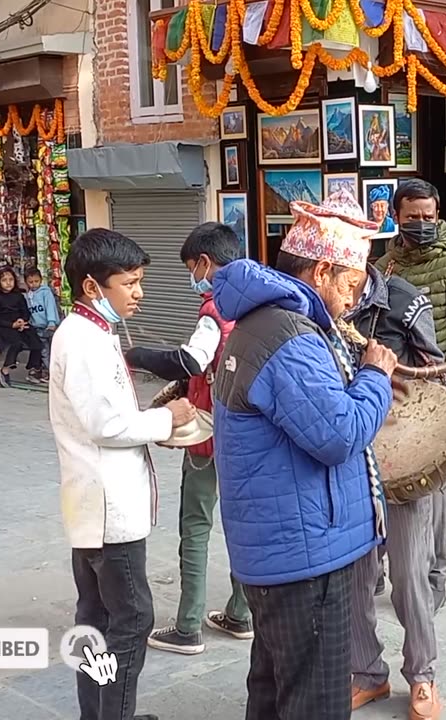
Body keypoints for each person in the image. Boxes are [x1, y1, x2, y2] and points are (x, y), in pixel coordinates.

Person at [211, 189, 396, 720]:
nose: (350, 301)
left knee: (274, 693)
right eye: (349, 285)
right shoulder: (288, 337)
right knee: (313, 702)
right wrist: (376, 379)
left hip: (285, 546)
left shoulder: (269, 323)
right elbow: (338, 433)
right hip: (304, 557)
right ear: (320, 272)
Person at [49, 228, 197, 720]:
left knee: (95, 617)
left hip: (92, 501)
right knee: (132, 620)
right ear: (93, 287)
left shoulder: (89, 332)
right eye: (129, 283)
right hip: (107, 509)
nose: (139, 292)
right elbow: (105, 424)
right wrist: (166, 419)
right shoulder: (84, 339)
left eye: (139, 281)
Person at [122, 221, 254, 654]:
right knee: (242, 527)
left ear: (204, 263)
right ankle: (241, 613)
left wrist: (138, 354)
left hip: (208, 434)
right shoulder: (257, 303)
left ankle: (187, 625)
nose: (191, 276)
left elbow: (190, 360)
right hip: (247, 435)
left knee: (195, 527)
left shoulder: (214, 308)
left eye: (190, 267)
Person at [375, 178, 446, 613]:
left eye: (428, 217)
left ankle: (433, 576)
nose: (421, 224)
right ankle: (383, 569)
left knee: (434, 494)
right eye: (412, 218)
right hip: (390, 400)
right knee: (384, 487)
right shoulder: (384, 268)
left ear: (437, 215)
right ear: (397, 218)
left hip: (436, 400)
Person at [344, 260, 446, 718]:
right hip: (350, 456)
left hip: (403, 459)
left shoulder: (404, 300)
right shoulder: (319, 305)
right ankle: (366, 673)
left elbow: (437, 374)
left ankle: (422, 675)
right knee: (357, 577)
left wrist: (389, 376)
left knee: (408, 576)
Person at [0, 267, 47, 385]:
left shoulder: (19, 295)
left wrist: (22, 320)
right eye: (4, 280)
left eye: (11, 279)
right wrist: (12, 325)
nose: (8, 282)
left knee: (36, 342)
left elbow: (25, 311)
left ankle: (33, 369)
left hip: (19, 324)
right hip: (2, 326)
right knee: (17, 343)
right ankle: (5, 370)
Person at [24, 267, 61, 349]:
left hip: (49, 327)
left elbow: (50, 306)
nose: (33, 284)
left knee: (54, 348)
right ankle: (45, 362)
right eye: (30, 282)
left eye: (36, 281)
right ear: (26, 282)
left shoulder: (46, 292)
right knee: (43, 350)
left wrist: (51, 322)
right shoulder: (27, 296)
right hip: (38, 328)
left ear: (41, 280)